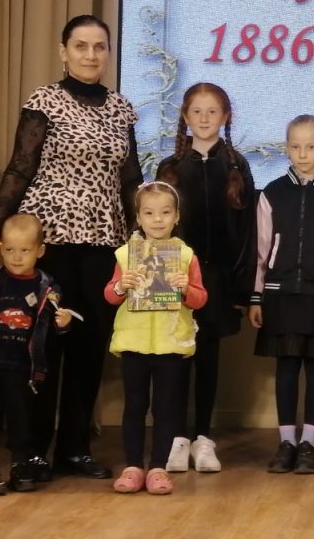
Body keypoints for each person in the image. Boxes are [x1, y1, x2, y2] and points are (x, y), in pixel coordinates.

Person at [0, 14, 142, 480]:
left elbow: (131, 179)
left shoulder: (122, 108)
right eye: (81, 45)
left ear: (109, 53)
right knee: (41, 345)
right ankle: (30, 450)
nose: (90, 54)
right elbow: (20, 167)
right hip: (51, 243)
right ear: (63, 51)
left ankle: (74, 449)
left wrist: (141, 238)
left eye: (99, 46)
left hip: (103, 243)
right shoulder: (44, 100)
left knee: (89, 347)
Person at [156, 83, 256, 474]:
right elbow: (154, 227)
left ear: (225, 116)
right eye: (196, 111)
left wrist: (241, 288)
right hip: (175, 279)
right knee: (177, 359)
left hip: (218, 280)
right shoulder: (170, 167)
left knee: (209, 359)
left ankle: (203, 438)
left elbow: (247, 231)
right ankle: (177, 438)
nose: (204, 118)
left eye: (212, 111)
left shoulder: (236, 166)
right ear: (185, 116)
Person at [249, 115, 314, 475]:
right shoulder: (273, 192)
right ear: (286, 147)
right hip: (280, 294)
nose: (303, 153)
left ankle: (309, 442)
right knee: (286, 367)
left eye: (311, 146)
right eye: (295, 146)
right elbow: (262, 249)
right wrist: (256, 295)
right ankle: (286, 443)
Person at [105, 182, 207, 495]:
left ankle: (159, 468)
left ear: (177, 216)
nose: (158, 219)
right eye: (149, 213)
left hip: (170, 344)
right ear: (138, 218)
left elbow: (201, 298)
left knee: (166, 408)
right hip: (134, 343)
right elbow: (110, 295)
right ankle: (133, 466)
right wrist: (122, 286)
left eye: (165, 212)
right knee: (135, 406)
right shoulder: (126, 255)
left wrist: (185, 288)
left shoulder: (186, 256)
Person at [0, 214, 73, 496]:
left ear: (40, 251)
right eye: (10, 249)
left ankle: (20, 465)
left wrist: (64, 323)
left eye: (25, 250)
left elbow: (55, 325)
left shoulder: (46, 286)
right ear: (1, 248)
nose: (16, 257)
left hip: (24, 367)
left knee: (21, 418)